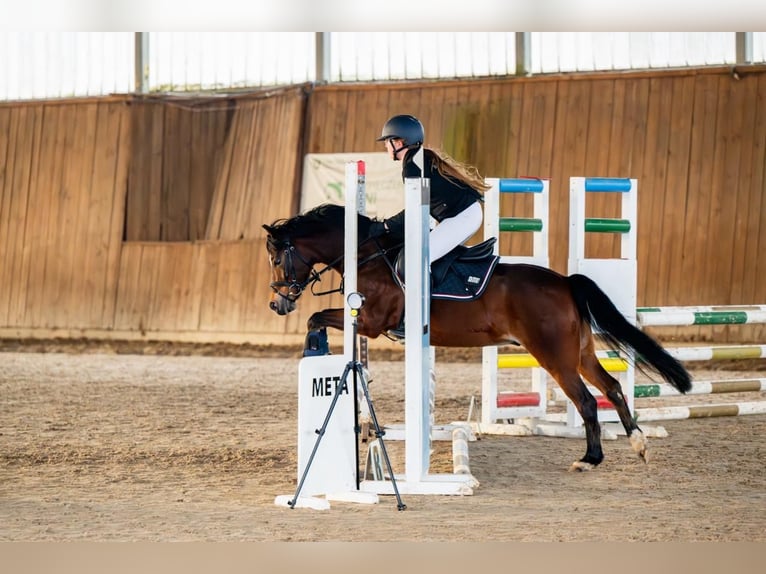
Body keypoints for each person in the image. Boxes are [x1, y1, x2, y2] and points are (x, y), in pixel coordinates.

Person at [368, 114, 489, 265]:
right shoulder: (420, 158)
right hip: (465, 215)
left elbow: (415, 209)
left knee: (417, 259)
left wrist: (385, 226)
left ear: (398, 143)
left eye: (387, 141)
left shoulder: (412, 166)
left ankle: (428, 290)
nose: (385, 145)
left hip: (462, 217)